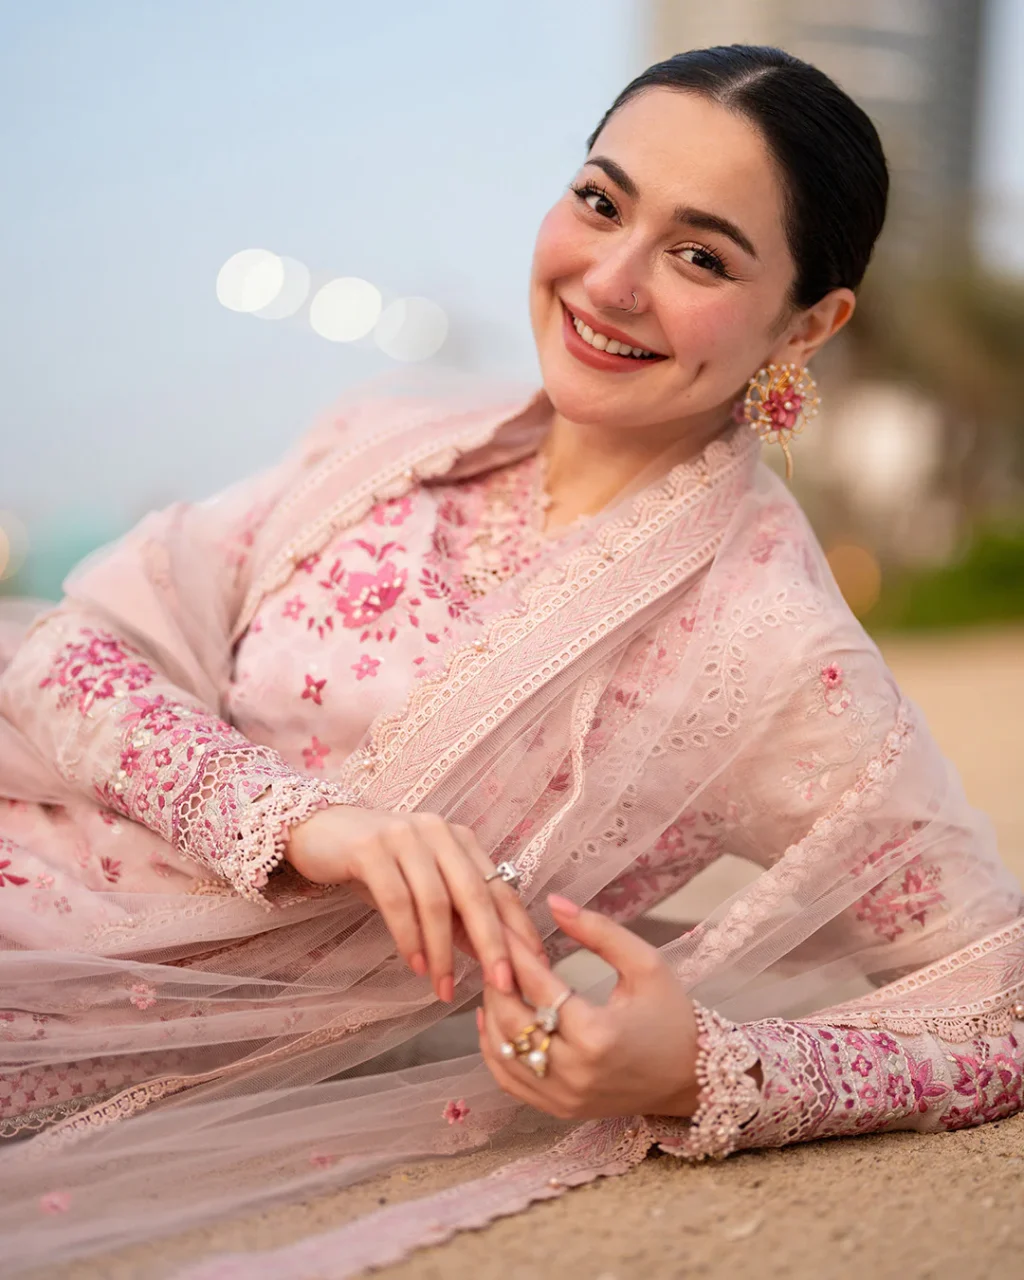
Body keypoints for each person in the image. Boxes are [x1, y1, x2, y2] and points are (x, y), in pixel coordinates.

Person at [1, 43, 1021, 1280]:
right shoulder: (382, 439)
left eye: (699, 255)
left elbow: (997, 1000)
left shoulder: (770, 651)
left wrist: (700, 1063)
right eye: (600, 201)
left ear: (807, 323)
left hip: (78, 1020)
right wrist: (303, 821)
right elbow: (63, 659)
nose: (611, 278)